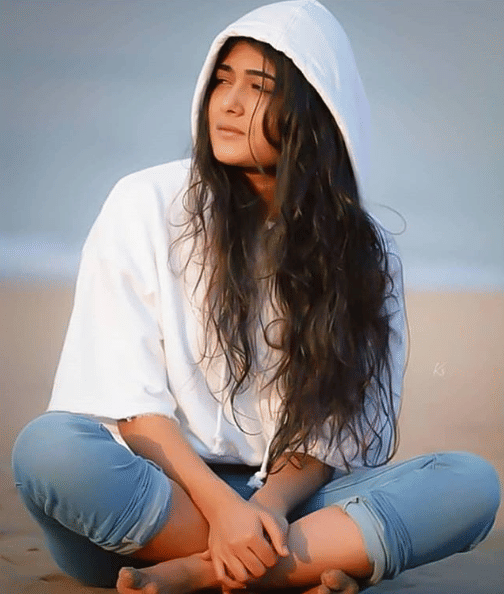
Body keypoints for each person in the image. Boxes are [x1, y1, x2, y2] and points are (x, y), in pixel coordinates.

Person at [12, 1, 500, 593]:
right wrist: (224, 513)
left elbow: (331, 437)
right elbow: (133, 411)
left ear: (315, 112)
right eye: (222, 80)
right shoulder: (144, 203)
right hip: (155, 503)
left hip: (291, 505)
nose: (229, 103)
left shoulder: (362, 252)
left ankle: (197, 573)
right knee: (49, 449)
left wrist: (264, 508)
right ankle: (293, 568)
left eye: (259, 87)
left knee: (470, 483)